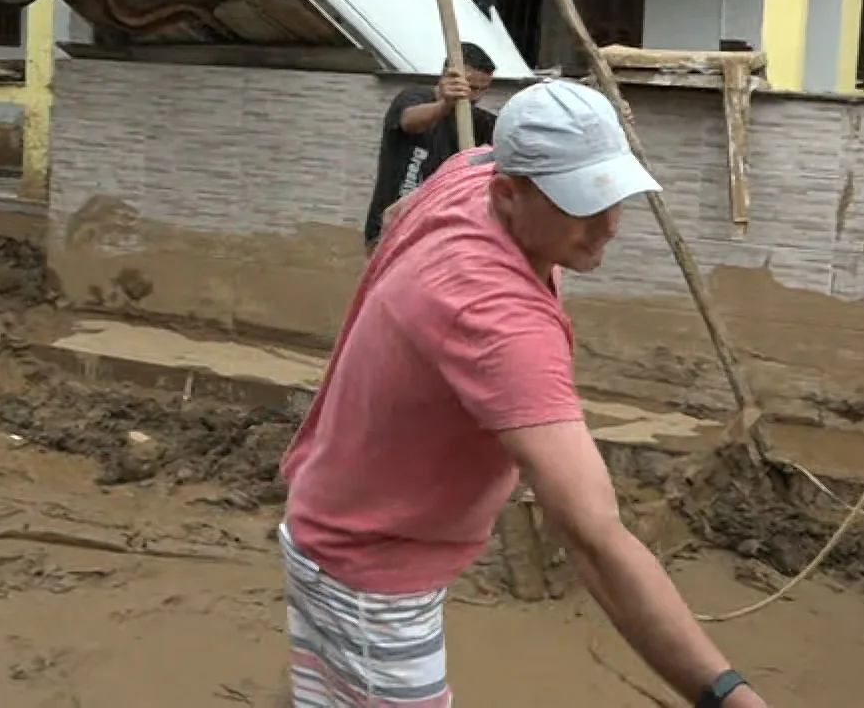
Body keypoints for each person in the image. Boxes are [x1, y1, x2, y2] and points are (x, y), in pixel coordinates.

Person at [281, 78, 768, 708]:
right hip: (370, 570)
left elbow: (408, 211)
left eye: (613, 194)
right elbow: (594, 540)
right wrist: (728, 695)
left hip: (335, 517)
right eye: (578, 204)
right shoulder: (496, 318)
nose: (607, 226)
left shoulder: (470, 172)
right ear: (508, 194)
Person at [360, 44, 498, 252]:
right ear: (448, 77)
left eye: (483, 89)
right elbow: (409, 121)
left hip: (430, 234)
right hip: (391, 228)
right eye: (471, 87)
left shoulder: (475, 121)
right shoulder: (414, 97)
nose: (476, 97)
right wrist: (445, 105)